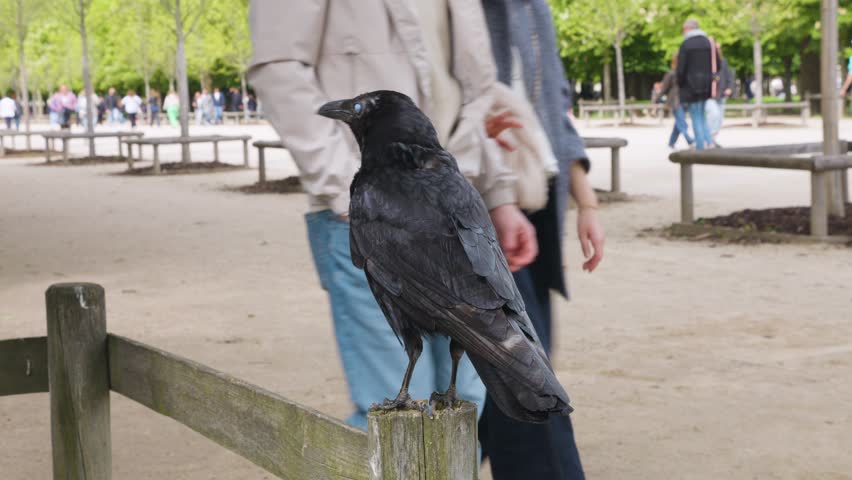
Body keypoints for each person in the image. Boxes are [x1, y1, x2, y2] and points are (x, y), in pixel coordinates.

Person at [249, 0, 543, 430]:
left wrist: (498, 196)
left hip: (455, 210)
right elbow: (278, 68)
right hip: (372, 217)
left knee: (466, 409)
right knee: (393, 416)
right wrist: (350, 188)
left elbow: (476, 89)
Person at [479, 1, 605, 478]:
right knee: (525, 381)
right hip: (475, 206)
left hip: (533, 210)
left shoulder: (536, 9)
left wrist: (587, 204)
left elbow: (556, 108)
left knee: (511, 383)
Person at [677, 18, 714, 150]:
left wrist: (680, 84)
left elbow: (680, 69)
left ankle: (700, 147)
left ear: (687, 28)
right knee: (701, 114)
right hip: (707, 85)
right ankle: (709, 142)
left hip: (691, 86)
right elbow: (718, 64)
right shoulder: (709, 43)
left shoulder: (686, 44)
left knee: (696, 117)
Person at [661, 56, 694, 149]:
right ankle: (690, 140)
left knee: (679, 122)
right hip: (677, 100)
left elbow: (664, 89)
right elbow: (665, 88)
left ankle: (671, 142)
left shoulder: (675, 73)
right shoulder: (673, 74)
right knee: (681, 122)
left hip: (681, 100)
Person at [706, 42, 735, 144]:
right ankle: (708, 137)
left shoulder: (723, 62)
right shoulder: (706, 62)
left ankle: (712, 139)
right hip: (710, 95)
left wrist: (729, 88)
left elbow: (729, 76)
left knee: (719, 119)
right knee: (714, 114)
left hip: (721, 94)